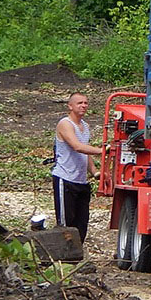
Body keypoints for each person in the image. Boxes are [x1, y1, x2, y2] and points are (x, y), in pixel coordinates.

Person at [51, 92, 102, 243]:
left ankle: (77, 256)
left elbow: (85, 152)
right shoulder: (65, 124)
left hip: (81, 181)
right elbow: (77, 146)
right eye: (79, 103)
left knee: (82, 224)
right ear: (70, 106)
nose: (83, 106)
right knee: (66, 224)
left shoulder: (85, 126)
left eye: (85, 103)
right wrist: (102, 151)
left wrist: (94, 171)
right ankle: (64, 259)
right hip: (65, 178)